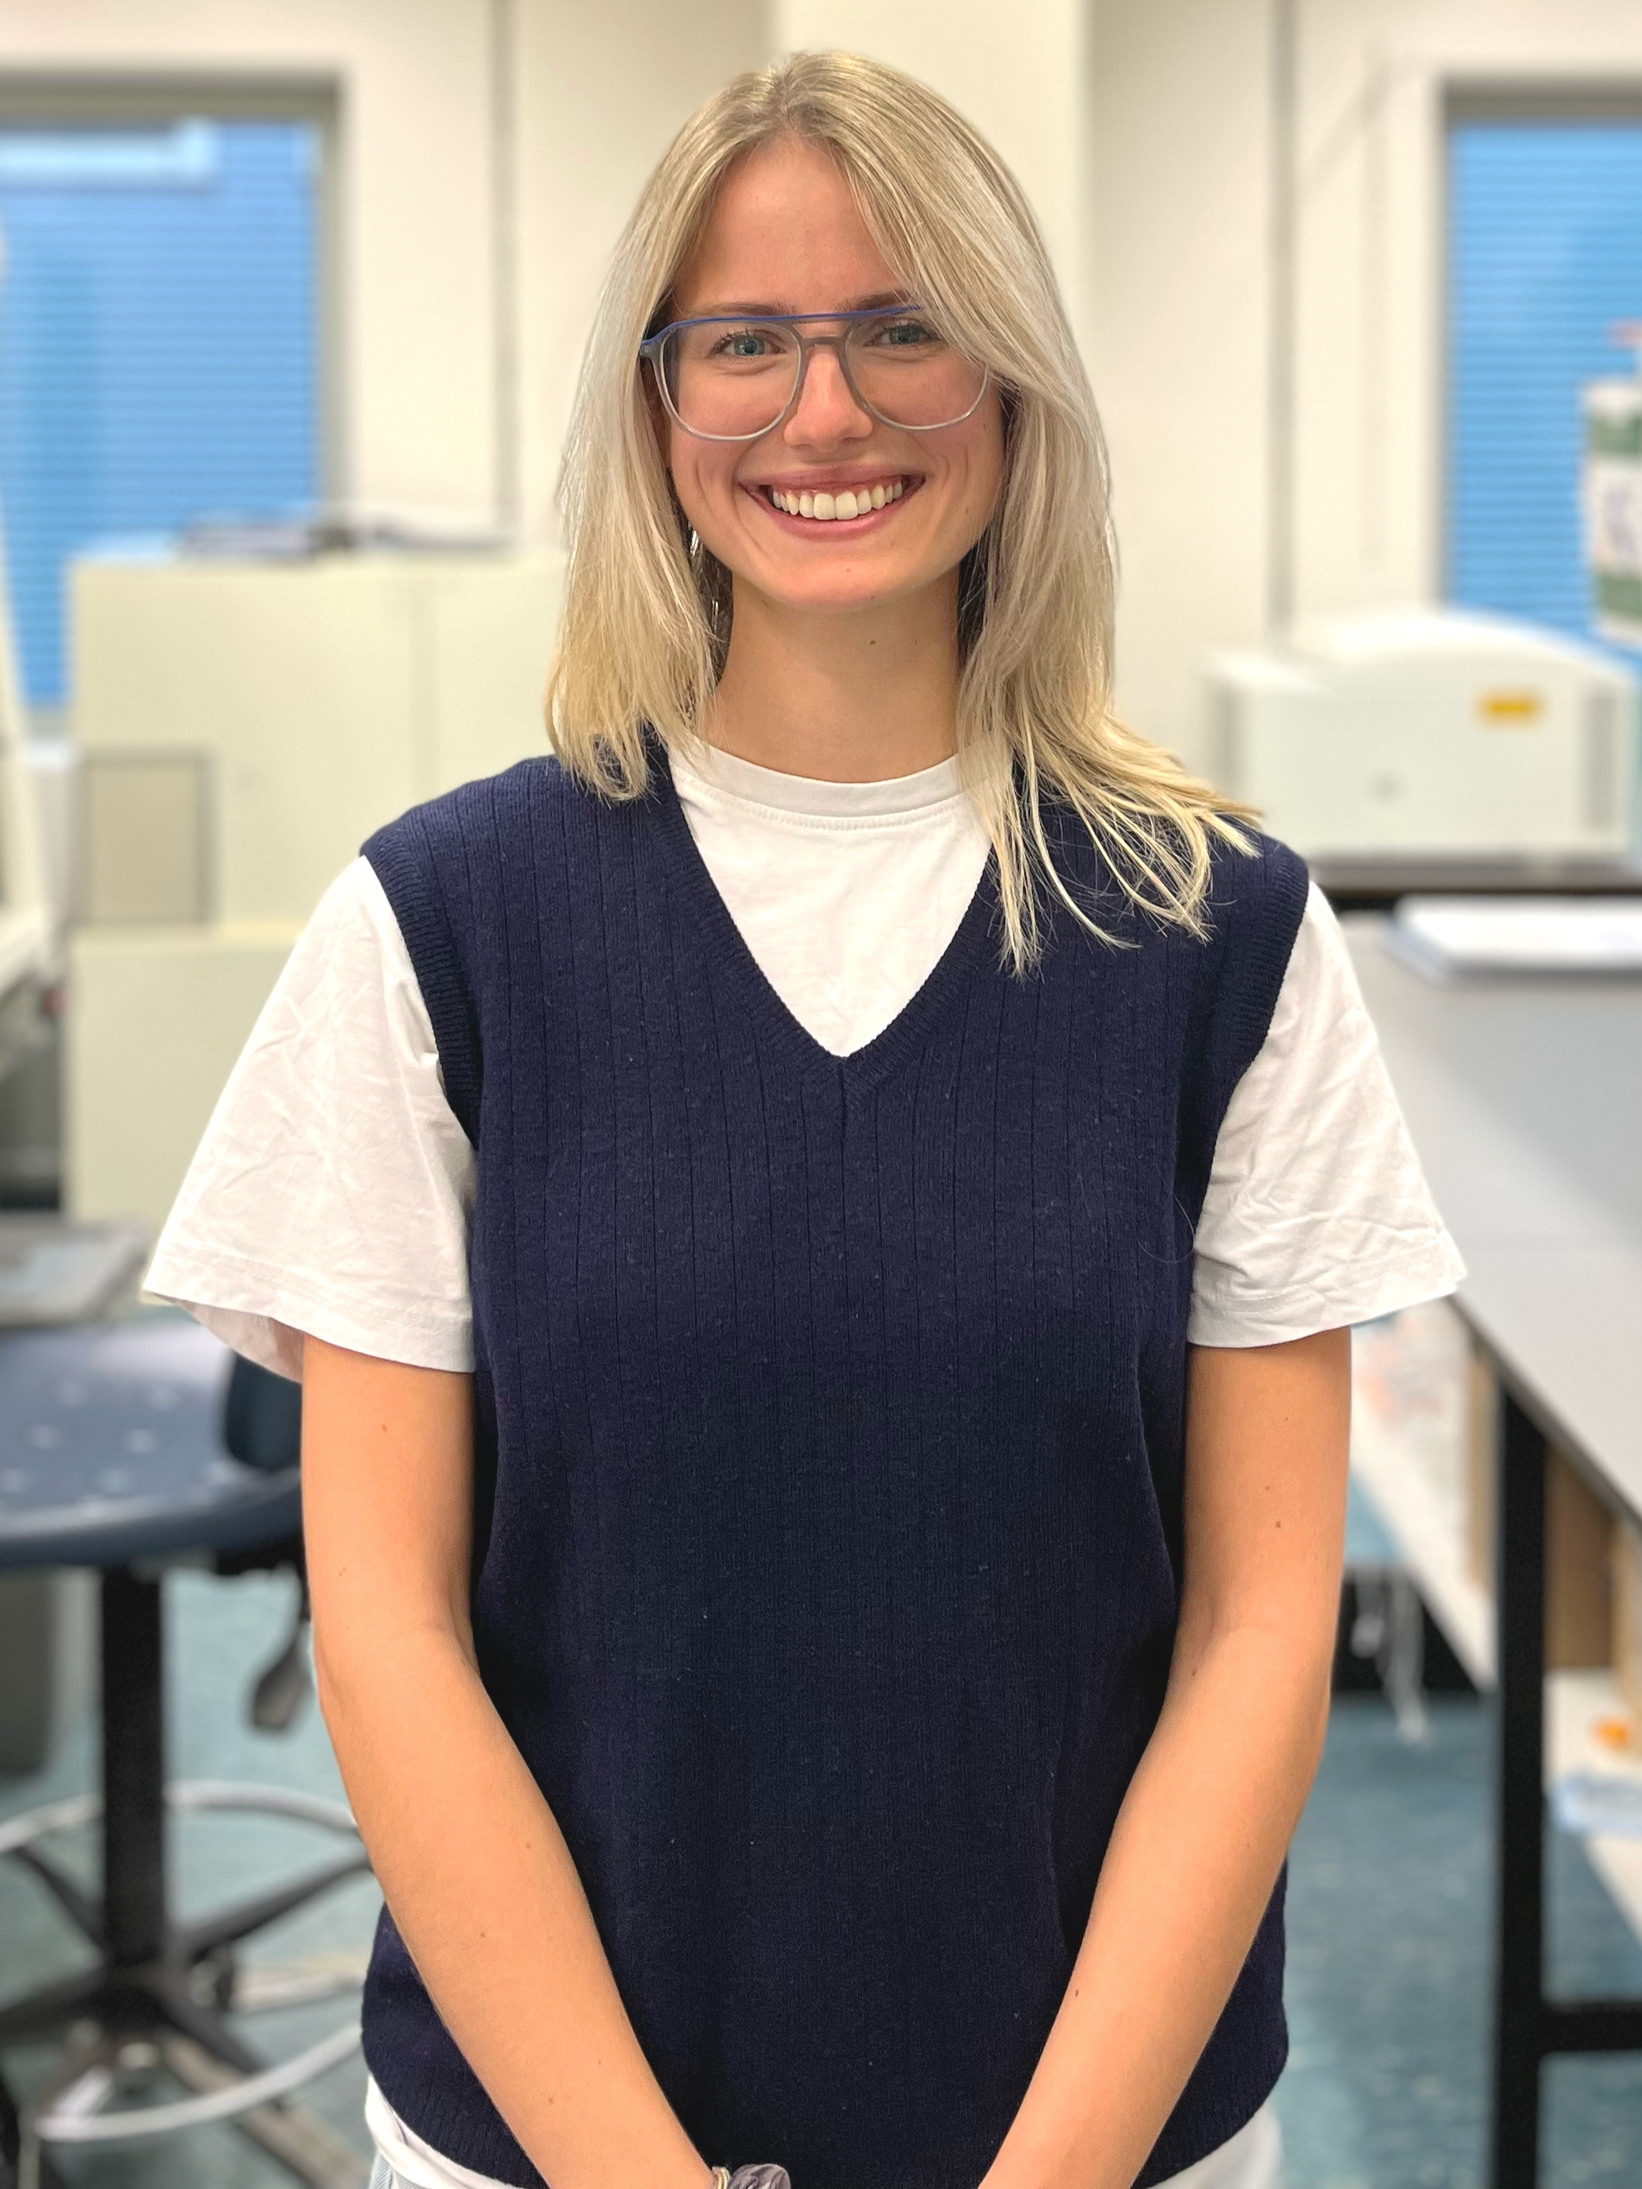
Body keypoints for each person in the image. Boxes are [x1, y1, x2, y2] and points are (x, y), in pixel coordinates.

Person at [148, 49, 1463, 2189]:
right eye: (743, 342)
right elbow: (382, 1628)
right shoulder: (439, 927)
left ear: (1010, 392)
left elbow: (1249, 1630)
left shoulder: (1217, 936)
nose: (822, 411)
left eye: (900, 328)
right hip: (542, 2141)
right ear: (660, 417)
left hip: (1110, 2135)